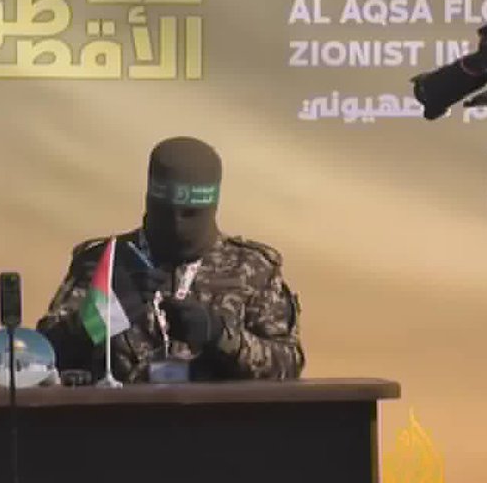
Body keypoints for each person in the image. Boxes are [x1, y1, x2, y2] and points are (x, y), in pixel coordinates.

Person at [36, 136, 305, 383]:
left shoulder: (252, 269)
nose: (176, 224)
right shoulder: (103, 261)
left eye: (190, 214)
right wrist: (98, 318)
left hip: (218, 417)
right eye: (165, 212)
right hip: (121, 416)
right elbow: (40, 359)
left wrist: (220, 335)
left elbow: (288, 365)